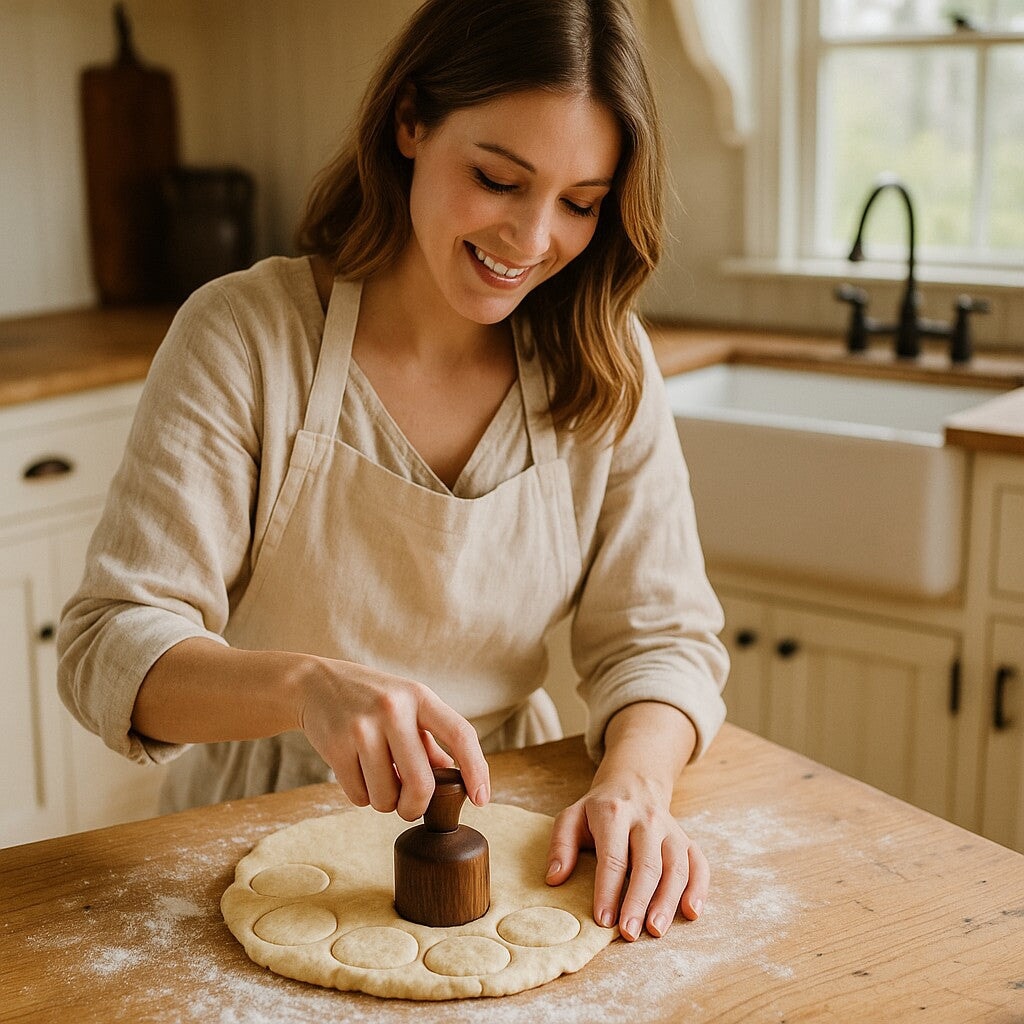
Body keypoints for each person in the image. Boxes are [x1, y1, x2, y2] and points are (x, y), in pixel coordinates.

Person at [57, 0, 728, 944]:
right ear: (410, 122)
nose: (534, 240)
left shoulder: (603, 360)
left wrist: (634, 783)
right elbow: (109, 643)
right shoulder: (246, 337)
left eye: (580, 202)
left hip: (514, 826)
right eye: (499, 179)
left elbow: (662, 642)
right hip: (250, 828)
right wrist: (305, 686)